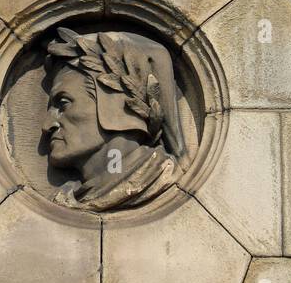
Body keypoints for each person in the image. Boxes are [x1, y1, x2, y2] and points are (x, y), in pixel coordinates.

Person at [42, 26, 188, 212]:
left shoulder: (159, 176)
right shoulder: (67, 200)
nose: (47, 125)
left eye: (63, 103)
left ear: (114, 102)